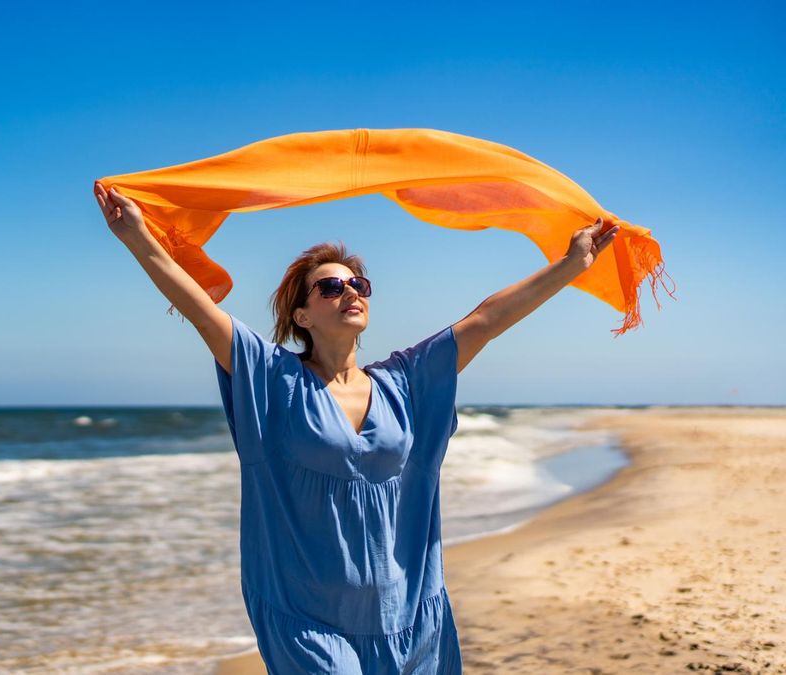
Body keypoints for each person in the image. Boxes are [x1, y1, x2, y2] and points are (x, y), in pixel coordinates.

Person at [94, 182, 618, 674]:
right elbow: (202, 312)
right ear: (301, 315)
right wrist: (137, 236)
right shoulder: (274, 380)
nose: (350, 292)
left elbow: (484, 320)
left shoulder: (403, 382)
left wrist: (570, 265)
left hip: (404, 609)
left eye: (358, 284)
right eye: (331, 286)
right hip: (307, 615)